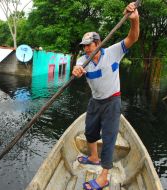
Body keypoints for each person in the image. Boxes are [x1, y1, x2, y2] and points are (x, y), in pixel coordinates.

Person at [72, 2, 139, 190]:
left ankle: (104, 176)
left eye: (89, 45)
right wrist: (76, 71)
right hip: (95, 101)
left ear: (98, 43)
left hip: (112, 101)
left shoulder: (113, 52)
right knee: (90, 132)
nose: (86, 49)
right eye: (84, 46)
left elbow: (132, 38)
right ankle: (93, 157)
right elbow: (77, 68)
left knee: (109, 138)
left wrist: (135, 20)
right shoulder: (83, 60)